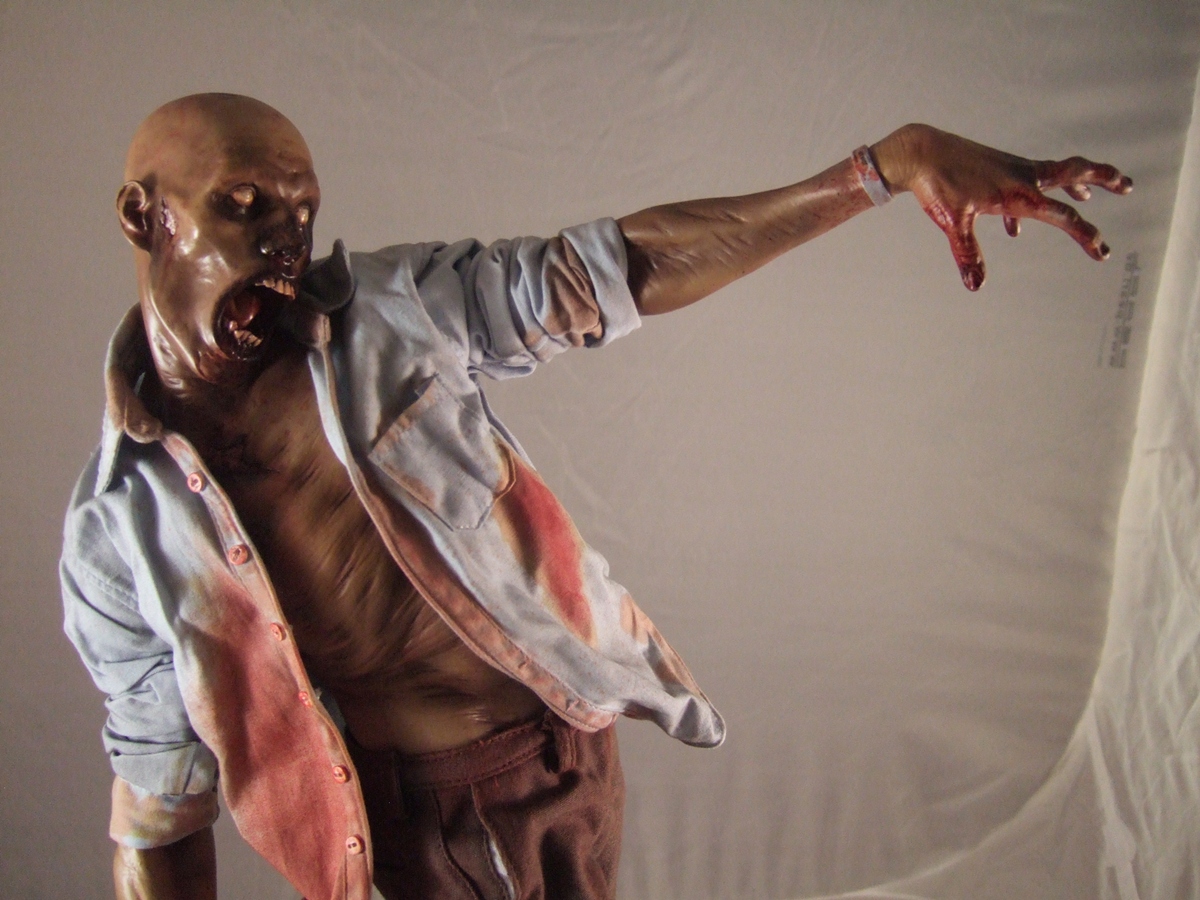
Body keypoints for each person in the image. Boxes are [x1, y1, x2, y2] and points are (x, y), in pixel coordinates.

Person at [61, 93, 1131, 900]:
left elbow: (616, 269)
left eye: (301, 213)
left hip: (569, 750)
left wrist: (880, 169)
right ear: (143, 217)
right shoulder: (116, 534)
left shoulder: (391, 313)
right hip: (422, 830)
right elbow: (160, 804)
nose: (284, 245)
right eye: (242, 206)